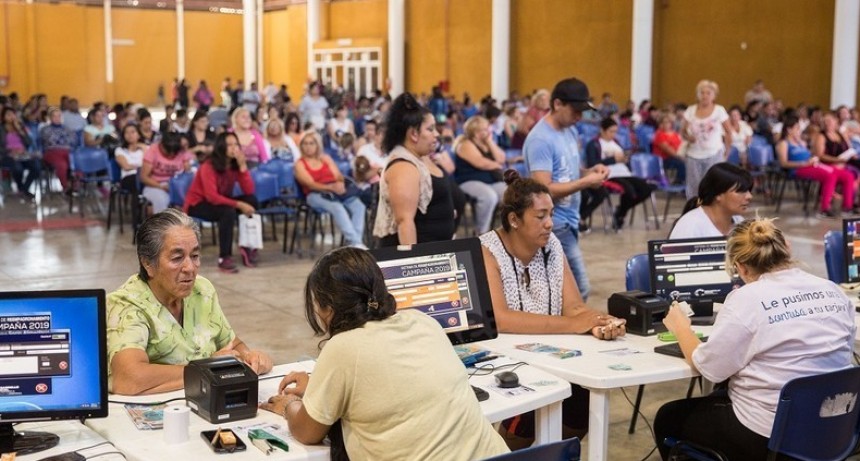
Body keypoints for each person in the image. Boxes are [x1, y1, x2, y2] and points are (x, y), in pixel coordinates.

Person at [259, 247, 508, 460]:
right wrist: (317, 389)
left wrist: (289, 404)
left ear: (327, 308)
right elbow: (389, 387)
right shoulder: (422, 321)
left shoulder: (343, 347)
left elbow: (307, 431)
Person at [654, 217, 855, 460]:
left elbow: (709, 368)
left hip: (769, 437)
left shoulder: (746, 300)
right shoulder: (832, 290)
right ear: (787, 249)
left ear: (741, 267)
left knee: (668, 417)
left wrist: (680, 327)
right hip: (834, 428)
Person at [479, 169, 626, 442]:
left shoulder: (552, 245)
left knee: (581, 402)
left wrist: (600, 322)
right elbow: (501, 319)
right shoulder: (486, 251)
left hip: (546, 354)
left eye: (551, 214)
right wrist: (575, 324)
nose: (549, 223)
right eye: (540, 216)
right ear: (514, 219)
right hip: (504, 359)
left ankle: (554, 451)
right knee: (529, 408)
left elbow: (573, 308)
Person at [107, 209, 273, 395]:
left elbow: (231, 344)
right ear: (148, 264)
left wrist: (251, 357)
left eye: (194, 256)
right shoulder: (127, 305)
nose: (190, 268)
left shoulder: (201, 291)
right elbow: (129, 379)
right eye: (177, 258)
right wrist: (207, 369)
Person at [523, 77, 609, 301]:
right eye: (575, 110)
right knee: (579, 289)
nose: (579, 117)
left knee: (564, 291)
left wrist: (589, 171)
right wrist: (586, 183)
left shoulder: (569, 131)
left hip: (569, 219)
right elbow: (543, 190)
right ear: (558, 104)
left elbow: (567, 170)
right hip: (553, 222)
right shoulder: (540, 139)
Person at [373, 93, 456, 246]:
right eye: (430, 129)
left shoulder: (421, 157)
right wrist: (412, 265)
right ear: (414, 134)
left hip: (436, 250)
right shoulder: (403, 167)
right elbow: (405, 222)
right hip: (413, 257)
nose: (436, 134)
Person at [184, 132, 258, 272]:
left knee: (252, 200)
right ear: (221, 147)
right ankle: (224, 257)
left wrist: (243, 168)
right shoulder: (208, 165)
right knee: (228, 212)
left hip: (220, 202)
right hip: (198, 204)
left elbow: (249, 191)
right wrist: (239, 205)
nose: (233, 148)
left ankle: (247, 245)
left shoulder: (234, 165)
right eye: (229, 145)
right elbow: (211, 196)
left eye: (236, 144)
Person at [295, 130, 367, 249]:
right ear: (301, 146)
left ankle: (355, 243)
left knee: (359, 206)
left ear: (317, 145)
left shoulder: (325, 158)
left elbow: (338, 176)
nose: (308, 147)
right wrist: (330, 187)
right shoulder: (299, 163)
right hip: (314, 195)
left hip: (334, 191)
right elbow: (310, 184)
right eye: (305, 144)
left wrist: (339, 184)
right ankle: (356, 243)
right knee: (337, 207)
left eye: (311, 143)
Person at [776, 116, 856, 219]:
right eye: (797, 128)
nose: (799, 131)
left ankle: (847, 207)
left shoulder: (800, 143)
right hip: (798, 169)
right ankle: (824, 209)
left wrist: (813, 158)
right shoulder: (783, 143)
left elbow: (810, 154)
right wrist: (803, 163)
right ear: (789, 129)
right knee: (830, 176)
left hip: (811, 165)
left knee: (847, 175)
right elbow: (784, 163)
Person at [584, 117, 652, 229]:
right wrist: (613, 160)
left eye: (615, 131)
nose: (613, 134)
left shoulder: (616, 142)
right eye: (611, 131)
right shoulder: (593, 144)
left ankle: (621, 211)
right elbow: (593, 164)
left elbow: (622, 159)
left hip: (623, 172)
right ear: (602, 130)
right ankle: (621, 214)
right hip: (609, 174)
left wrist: (625, 159)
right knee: (629, 190)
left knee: (646, 188)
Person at [452, 115, 507, 234]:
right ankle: (481, 232)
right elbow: (481, 163)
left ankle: (503, 230)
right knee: (489, 196)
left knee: (513, 192)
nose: (489, 131)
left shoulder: (487, 143)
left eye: (488, 128)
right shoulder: (465, 144)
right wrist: (497, 165)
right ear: (476, 132)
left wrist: (489, 142)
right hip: (468, 181)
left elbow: (501, 158)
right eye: (485, 129)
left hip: (489, 182)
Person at [669, 163, 753, 239]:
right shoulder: (689, 226)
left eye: (749, 190)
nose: (749, 196)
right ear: (718, 194)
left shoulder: (740, 222)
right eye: (741, 191)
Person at [681, 80, 732, 199]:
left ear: (713, 95)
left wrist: (727, 151)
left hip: (714, 153)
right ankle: (694, 212)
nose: (705, 96)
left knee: (714, 186)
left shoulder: (719, 110)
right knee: (693, 189)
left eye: (708, 93)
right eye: (702, 93)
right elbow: (683, 131)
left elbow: (729, 132)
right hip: (693, 155)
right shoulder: (691, 110)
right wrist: (689, 137)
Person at [140, 132, 193, 213]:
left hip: (177, 184)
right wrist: (161, 186)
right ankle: (163, 224)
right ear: (161, 145)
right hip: (155, 185)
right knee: (161, 199)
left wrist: (185, 155)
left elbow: (188, 173)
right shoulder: (152, 151)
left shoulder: (180, 150)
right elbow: (144, 177)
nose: (171, 154)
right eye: (168, 151)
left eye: (174, 152)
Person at [0, 106, 38, 199]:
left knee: (36, 167)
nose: (11, 116)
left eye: (13, 114)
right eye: (8, 114)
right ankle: (21, 189)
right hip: (7, 155)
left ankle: (24, 189)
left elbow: (29, 143)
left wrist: (20, 130)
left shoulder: (21, 127)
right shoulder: (1, 128)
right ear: (3, 116)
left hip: (22, 154)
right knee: (18, 168)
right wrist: (10, 151)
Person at [115, 124, 146, 227]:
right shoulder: (120, 150)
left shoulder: (145, 148)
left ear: (138, 134)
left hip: (144, 176)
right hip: (128, 178)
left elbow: (151, 164)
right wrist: (141, 167)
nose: (130, 135)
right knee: (136, 183)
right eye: (126, 132)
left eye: (133, 132)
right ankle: (137, 222)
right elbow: (126, 166)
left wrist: (144, 148)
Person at [39, 107, 76, 193]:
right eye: (54, 116)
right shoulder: (45, 129)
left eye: (59, 116)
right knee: (62, 165)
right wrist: (63, 140)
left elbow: (73, 140)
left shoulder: (67, 129)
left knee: (77, 163)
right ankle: (66, 187)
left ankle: (75, 186)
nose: (57, 118)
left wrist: (61, 140)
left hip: (68, 151)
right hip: (52, 152)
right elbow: (49, 140)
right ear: (50, 118)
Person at [651, 114, 685, 184]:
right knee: (681, 163)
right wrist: (682, 157)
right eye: (662, 122)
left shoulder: (674, 134)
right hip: (663, 160)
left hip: (676, 157)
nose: (665, 124)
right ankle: (680, 182)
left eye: (667, 122)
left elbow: (682, 146)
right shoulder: (659, 135)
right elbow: (668, 150)